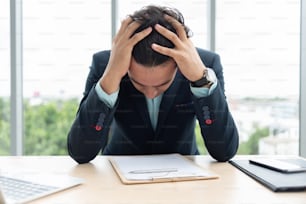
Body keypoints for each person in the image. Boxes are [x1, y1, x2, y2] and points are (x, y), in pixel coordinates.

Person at [67, 5, 239, 164]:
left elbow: (224, 151)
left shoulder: (205, 65)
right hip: (117, 174)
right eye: (138, 84)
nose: (150, 94)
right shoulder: (106, 65)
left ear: (178, 65)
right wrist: (111, 77)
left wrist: (200, 81)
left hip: (183, 177)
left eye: (161, 85)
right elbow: (80, 153)